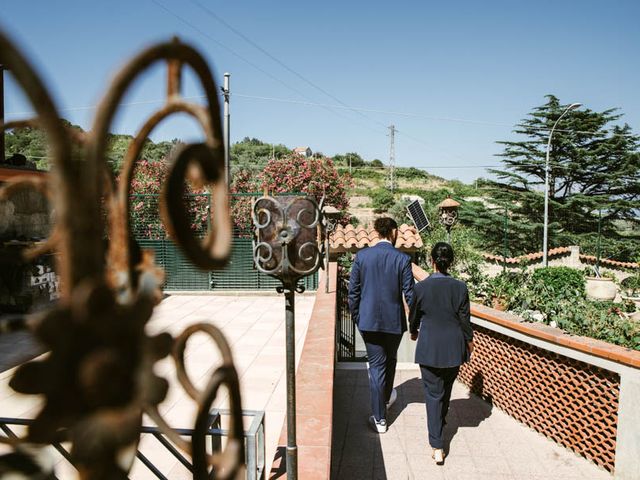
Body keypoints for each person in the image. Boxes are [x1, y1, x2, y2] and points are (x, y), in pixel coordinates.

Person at [348, 217, 414, 434]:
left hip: (368, 322)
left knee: (377, 366)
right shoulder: (402, 259)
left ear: (376, 232)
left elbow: (353, 293)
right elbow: (410, 295)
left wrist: (358, 318)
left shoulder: (362, 256)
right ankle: (383, 404)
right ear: (394, 232)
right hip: (394, 322)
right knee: (390, 360)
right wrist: (415, 322)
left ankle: (379, 417)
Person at [409, 242, 473, 465]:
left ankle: (437, 445)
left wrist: (413, 332)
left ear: (432, 261)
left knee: (433, 395)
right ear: (450, 262)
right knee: (445, 390)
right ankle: (440, 423)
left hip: (430, 347)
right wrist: (469, 342)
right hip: (454, 347)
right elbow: (465, 320)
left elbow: (414, 315)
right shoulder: (460, 287)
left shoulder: (421, 288)